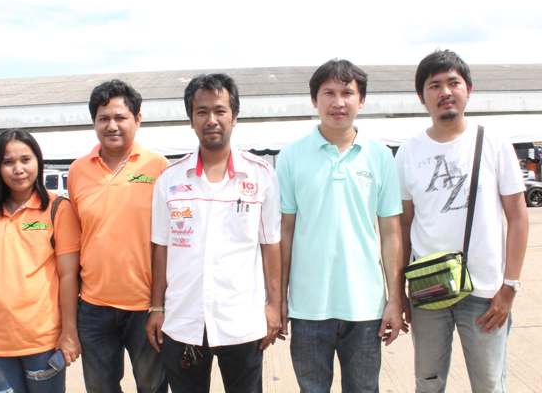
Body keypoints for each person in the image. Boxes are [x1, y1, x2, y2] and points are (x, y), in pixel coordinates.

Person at [395, 49, 529, 392]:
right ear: (421, 96)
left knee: (488, 384)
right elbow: (403, 226)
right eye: (434, 85)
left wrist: (509, 286)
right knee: (428, 382)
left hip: (486, 292)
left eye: (453, 83)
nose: (445, 92)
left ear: (469, 89)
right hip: (427, 289)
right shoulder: (408, 152)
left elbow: (517, 216)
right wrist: (399, 293)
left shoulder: (494, 142)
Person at [146, 73, 282, 393]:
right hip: (184, 320)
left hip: (241, 320)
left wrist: (274, 306)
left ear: (234, 116)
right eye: (202, 111)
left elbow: (270, 245)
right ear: (191, 119)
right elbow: (161, 247)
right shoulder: (170, 179)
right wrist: (157, 308)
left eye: (220, 110)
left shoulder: (260, 176)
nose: (211, 120)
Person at [277, 59, 405, 392]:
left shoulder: (380, 156)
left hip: (365, 306)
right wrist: (278, 299)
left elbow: (391, 233)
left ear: (361, 100)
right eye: (328, 93)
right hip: (308, 308)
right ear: (314, 100)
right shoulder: (291, 156)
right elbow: (284, 232)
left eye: (347, 93)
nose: (338, 102)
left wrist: (395, 299)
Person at [0, 128, 81, 392]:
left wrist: (69, 332)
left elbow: (68, 276)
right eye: (8, 162)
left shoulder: (57, 209)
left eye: (25, 159)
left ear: (38, 162)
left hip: (42, 339)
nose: (18, 169)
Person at [67, 79, 168, 392]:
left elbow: (168, 241)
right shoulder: (77, 171)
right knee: (100, 388)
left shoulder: (159, 168)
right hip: (93, 307)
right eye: (103, 118)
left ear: (137, 119)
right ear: (94, 122)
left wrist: (160, 305)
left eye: (120, 117)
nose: (112, 125)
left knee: (152, 386)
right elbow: (76, 238)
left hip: (145, 307)